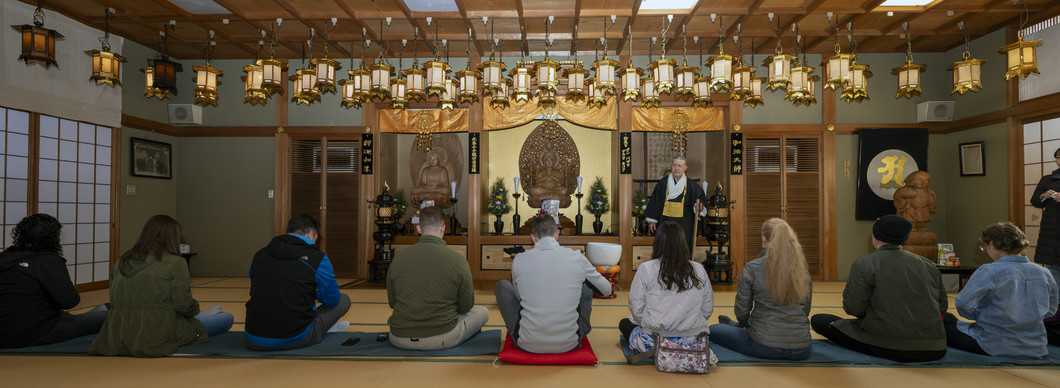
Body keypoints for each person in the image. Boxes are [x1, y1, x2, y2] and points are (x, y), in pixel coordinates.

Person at [89, 215, 233, 357]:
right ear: (173, 237)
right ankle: (199, 317)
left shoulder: (122, 261)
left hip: (119, 330)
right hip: (156, 330)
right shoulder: (176, 262)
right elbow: (183, 305)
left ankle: (198, 318)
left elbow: (113, 299)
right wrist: (194, 310)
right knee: (226, 318)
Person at [810, 215, 948, 362]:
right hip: (935, 348)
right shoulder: (928, 264)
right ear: (905, 238)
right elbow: (942, 307)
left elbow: (853, 308)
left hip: (888, 345)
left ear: (875, 236)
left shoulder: (865, 263)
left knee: (819, 320)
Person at [494, 216, 611, 353]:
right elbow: (606, 290)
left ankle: (529, 333)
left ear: (532, 237)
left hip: (526, 343)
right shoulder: (577, 257)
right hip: (570, 342)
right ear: (556, 234)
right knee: (586, 289)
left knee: (502, 286)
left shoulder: (519, 259)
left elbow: (520, 299)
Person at [944, 222, 1058, 358]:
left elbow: (963, 304)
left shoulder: (990, 271)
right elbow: (1051, 310)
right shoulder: (1044, 272)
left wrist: (981, 317)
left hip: (993, 343)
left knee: (942, 323)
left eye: (985, 247)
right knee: (950, 319)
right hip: (1035, 345)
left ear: (992, 244)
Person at [709, 218, 813, 360]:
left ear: (764, 239)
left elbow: (742, 313)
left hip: (764, 345)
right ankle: (734, 326)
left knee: (713, 330)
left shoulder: (752, 268)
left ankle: (734, 327)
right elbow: (805, 310)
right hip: (802, 348)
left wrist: (748, 325)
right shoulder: (802, 270)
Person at [245, 214, 352, 350]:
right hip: (295, 337)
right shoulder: (317, 258)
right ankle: (322, 329)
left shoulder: (260, 254)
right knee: (343, 300)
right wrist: (314, 294)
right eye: (315, 239)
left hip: (253, 338)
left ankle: (321, 326)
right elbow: (331, 299)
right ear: (310, 234)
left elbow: (259, 287)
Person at [387, 207, 488, 350]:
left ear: (418, 229)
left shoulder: (398, 259)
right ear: (443, 228)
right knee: (482, 312)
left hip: (398, 338)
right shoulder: (457, 260)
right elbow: (466, 307)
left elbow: (392, 303)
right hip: (441, 337)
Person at [0, 214, 108, 348]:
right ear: (52, 238)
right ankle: (102, 311)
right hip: (36, 332)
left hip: (3, 334)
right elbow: (70, 301)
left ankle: (99, 310)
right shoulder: (48, 261)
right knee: (113, 319)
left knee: (72, 316)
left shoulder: (5, 258)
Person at [619, 221, 714, 357]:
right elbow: (707, 308)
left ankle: (661, 350)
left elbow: (636, 306)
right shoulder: (698, 269)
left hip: (655, 340)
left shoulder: (647, 268)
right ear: (683, 242)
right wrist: (688, 323)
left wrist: (647, 322)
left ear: (658, 242)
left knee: (624, 323)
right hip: (691, 341)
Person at [645, 154, 707, 253]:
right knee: (664, 249)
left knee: (682, 249)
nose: (676, 168)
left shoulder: (692, 186)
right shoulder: (663, 183)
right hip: (665, 223)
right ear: (671, 166)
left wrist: (700, 207)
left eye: (680, 166)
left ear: (685, 168)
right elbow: (655, 201)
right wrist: (652, 220)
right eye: (674, 165)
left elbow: (701, 201)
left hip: (684, 225)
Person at [1031, 147, 1060, 288]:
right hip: (1052, 228)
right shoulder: (1047, 179)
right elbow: (1035, 201)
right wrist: (1043, 196)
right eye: (1058, 157)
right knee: (1053, 267)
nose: (1059, 160)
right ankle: (1056, 306)